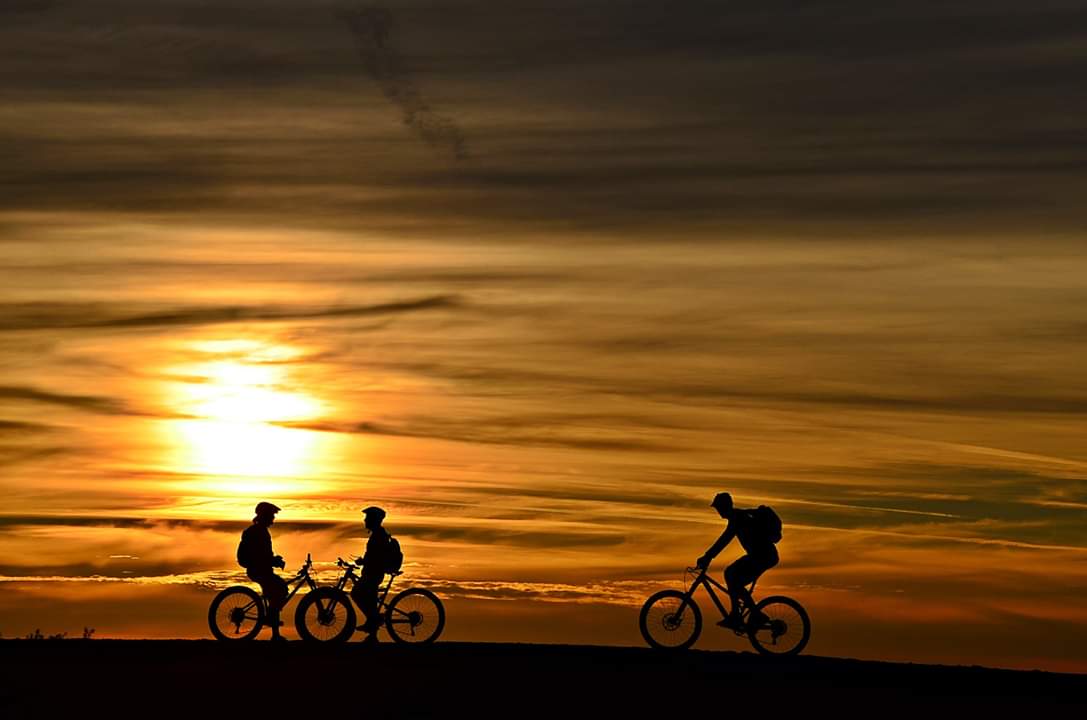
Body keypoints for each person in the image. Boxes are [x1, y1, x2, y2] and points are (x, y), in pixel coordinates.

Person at [696, 492, 779, 630]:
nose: (718, 511)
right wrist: (708, 556)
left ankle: (742, 615)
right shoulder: (738, 517)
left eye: (719, 508)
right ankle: (746, 614)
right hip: (761, 556)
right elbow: (725, 539)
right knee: (733, 578)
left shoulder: (738, 518)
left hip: (763, 556)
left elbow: (724, 539)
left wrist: (707, 556)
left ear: (725, 506)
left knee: (732, 576)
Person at [238, 501, 289, 641]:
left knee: (277, 592)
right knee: (280, 589)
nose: (274, 518)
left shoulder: (258, 531)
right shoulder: (259, 532)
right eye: (272, 515)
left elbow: (264, 555)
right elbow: (260, 555)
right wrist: (275, 561)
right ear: (265, 516)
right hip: (259, 570)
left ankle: (274, 629)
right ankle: (274, 630)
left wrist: (273, 560)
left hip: (259, 569)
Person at [351, 505, 391, 642]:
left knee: (356, 593)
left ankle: (373, 619)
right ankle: (373, 634)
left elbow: (376, 556)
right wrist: (364, 561)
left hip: (373, 574)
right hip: (372, 572)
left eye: (367, 518)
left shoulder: (379, 536)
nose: (365, 520)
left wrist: (363, 561)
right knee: (371, 601)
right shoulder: (378, 534)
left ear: (374, 520)